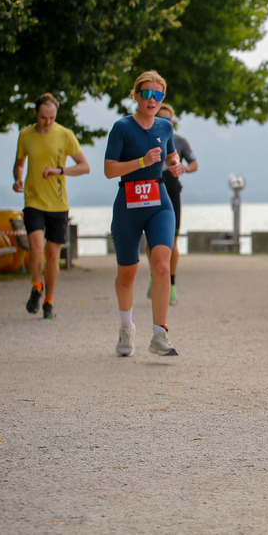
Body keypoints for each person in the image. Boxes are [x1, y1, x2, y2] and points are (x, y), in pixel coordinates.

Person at [103, 70, 185, 357]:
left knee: (161, 264)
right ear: (136, 95)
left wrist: (176, 165)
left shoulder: (165, 127)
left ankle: (159, 334)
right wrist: (140, 161)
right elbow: (109, 169)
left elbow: (171, 155)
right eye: (147, 94)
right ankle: (127, 329)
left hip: (159, 201)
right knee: (128, 272)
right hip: (128, 203)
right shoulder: (122, 128)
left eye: (158, 95)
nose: (152, 99)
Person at [13, 92, 90, 319]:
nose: (48, 122)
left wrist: (60, 171)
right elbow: (19, 164)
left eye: (52, 118)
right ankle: (36, 286)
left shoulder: (65, 135)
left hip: (58, 203)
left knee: (53, 256)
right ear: (36, 113)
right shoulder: (25, 135)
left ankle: (49, 301)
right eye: (44, 117)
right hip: (34, 200)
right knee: (36, 248)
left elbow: (85, 166)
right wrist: (17, 178)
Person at [147, 103, 198, 306]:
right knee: (152, 240)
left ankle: (172, 284)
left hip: (172, 188)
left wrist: (183, 168)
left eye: (168, 119)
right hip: (151, 187)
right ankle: (154, 276)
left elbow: (195, 164)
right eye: (161, 118)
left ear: (172, 122)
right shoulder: (146, 137)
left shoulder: (180, 141)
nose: (165, 122)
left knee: (173, 239)